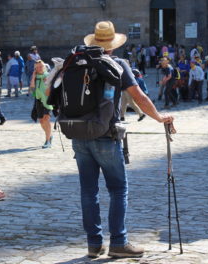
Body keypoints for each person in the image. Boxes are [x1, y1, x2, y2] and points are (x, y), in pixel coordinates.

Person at [58, 20, 174, 258]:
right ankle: (119, 242)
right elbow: (139, 97)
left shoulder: (75, 62)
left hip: (78, 133)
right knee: (118, 188)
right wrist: (159, 117)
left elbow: (54, 93)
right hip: (105, 135)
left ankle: (94, 244)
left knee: (88, 191)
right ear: (112, 43)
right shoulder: (118, 63)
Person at [30, 60, 53, 148]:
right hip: (39, 100)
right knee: (41, 121)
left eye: (41, 66)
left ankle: (47, 141)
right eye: (37, 67)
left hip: (48, 101)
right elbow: (32, 88)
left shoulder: (48, 75)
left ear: (44, 66)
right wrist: (33, 76)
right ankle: (49, 135)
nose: (39, 68)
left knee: (46, 119)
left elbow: (54, 86)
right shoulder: (36, 76)